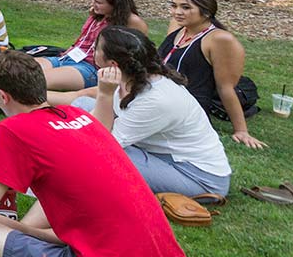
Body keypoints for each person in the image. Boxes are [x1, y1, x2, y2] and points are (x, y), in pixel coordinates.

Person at [0, 51, 188, 257]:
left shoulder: (15, 129)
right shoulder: (76, 115)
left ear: (3, 96)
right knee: (34, 225)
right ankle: (5, 238)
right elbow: (63, 169)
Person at [86, 26, 232, 197]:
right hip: (160, 154)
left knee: (101, 155)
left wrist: (104, 94)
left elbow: (103, 144)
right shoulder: (132, 77)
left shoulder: (156, 99)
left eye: (96, 48)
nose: (93, 50)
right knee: (81, 105)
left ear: (113, 64)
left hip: (197, 178)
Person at [157, 0, 265, 149]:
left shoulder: (219, 39)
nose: (177, 12)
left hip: (188, 105)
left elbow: (226, 87)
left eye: (185, 7)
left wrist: (241, 130)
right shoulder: (179, 27)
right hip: (163, 93)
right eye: (174, 5)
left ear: (206, 12)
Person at [42, 0, 149, 105]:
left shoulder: (132, 21)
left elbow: (141, 51)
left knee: (37, 79)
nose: (93, 4)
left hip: (90, 67)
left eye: (98, 2)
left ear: (116, 4)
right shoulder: (98, 14)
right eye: (93, 0)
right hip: (69, 56)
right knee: (23, 69)